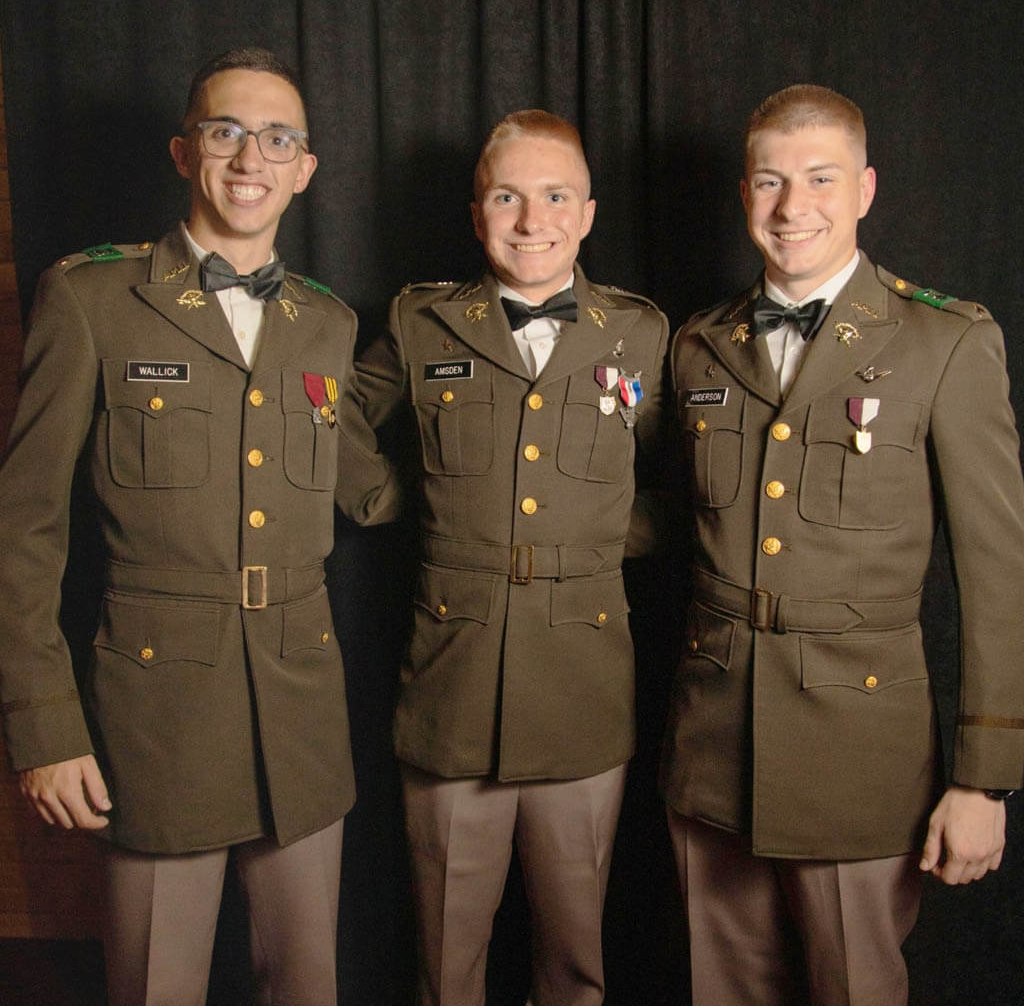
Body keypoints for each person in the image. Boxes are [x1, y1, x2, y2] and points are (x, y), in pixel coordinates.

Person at [0, 47, 396, 1005]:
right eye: (226, 131)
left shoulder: (326, 324)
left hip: (301, 711)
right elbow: (23, 529)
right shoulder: (93, 299)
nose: (250, 156)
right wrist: (43, 726)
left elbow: (371, 489)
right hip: (156, 715)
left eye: (277, 138)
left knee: (307, 986)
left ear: (305, 169)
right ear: (186, 152)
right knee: (155, 986)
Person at [662, 82, 1024, 1005]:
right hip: (713, 743)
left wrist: (986, 780)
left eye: (819, 179)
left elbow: (997, 575)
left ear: (865, 189)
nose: (793, 208)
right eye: (770, 182)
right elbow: (669, 524)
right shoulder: (700, 345)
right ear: (744, 193)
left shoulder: (943, 340)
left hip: (858, 753)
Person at [350, 110, 668, 1005]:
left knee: (575, 961)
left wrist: (607, 535)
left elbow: (699, 475)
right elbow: (316, 408)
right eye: (508, 196)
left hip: (581, 685)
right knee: (446, 963)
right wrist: (395, 501)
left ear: (590, 212)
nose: (534, 220)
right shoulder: (423, 324)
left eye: (556, 196)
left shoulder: (639, 334)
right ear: (478, 210)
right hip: (452, 686)